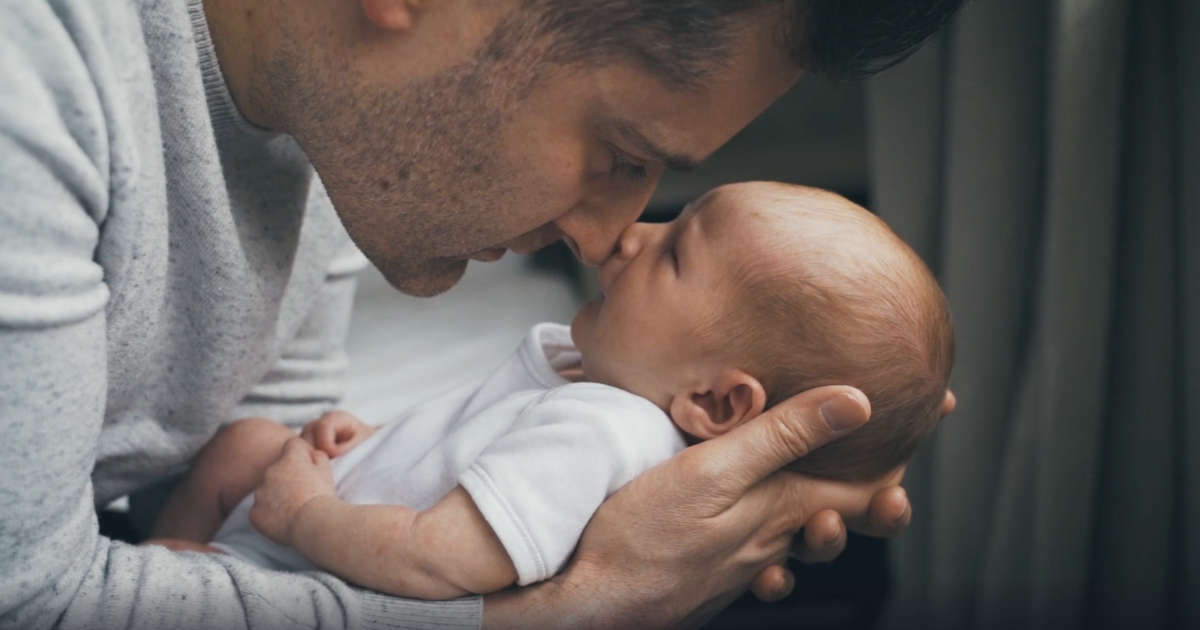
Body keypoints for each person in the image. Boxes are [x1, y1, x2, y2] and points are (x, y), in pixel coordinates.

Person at [0, 0, 964, 628]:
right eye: (622, 152)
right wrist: (568, 613)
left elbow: (265, 479)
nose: (603, 241)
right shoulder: (31, 84)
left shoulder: (327, 126)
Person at [145, 182, 956, 601]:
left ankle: (167, 565)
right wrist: (374, 436)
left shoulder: (604, 432)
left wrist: (305, 514)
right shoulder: (594, 378)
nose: (635, 234)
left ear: (716, 405)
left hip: (307, 569)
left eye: (674, 255)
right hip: (337, 510)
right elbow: (461, 443)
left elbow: (438, 562)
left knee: (180, 567)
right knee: (245, 445)